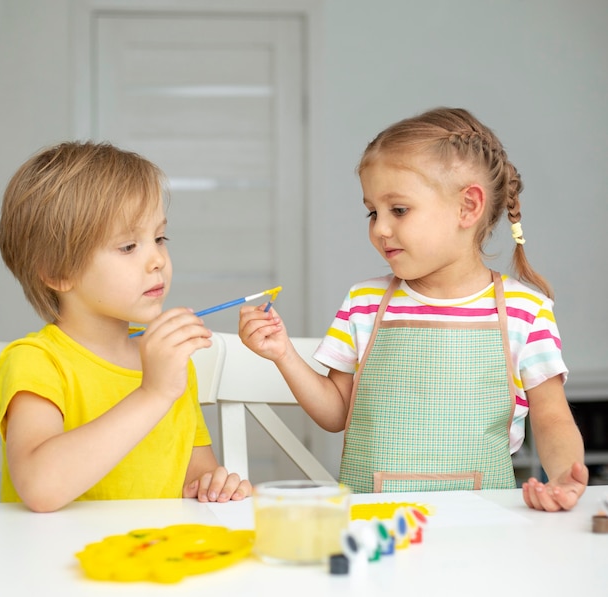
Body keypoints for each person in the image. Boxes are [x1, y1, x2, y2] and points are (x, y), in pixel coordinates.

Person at [239, 107, 588, 511]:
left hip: (483, 527)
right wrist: (283, 354)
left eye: (398, 210)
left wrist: (564, 474)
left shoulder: (526, 311)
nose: (380, 228)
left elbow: (553, 419)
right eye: (372, 212)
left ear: (468, 207)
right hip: (372, 524)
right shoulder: (363, 303)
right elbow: (336, 412)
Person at [0, 141, 251, 512]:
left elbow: (195, 476)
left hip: (153, 557)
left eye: (160, 238)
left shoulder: (167, 363)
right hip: (53, 566)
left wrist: (213, 484)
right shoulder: (37, 362)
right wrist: (153, 393)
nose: (157, 260)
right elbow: (40, 486)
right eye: (129, 246)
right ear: (58, 272)